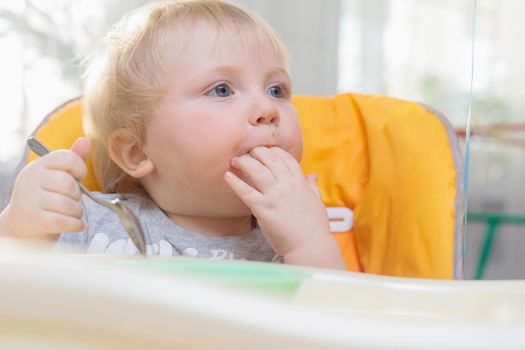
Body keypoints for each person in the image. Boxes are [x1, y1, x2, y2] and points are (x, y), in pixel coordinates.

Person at [0, 0, 345, 269]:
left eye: (277, 90)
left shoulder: (289, 239)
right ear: (137, 153)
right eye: (222, 90)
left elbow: (336, 330)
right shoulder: (89, 223)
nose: (268, 110)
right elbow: (17, 304)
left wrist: (310, 245)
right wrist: (19, 230)